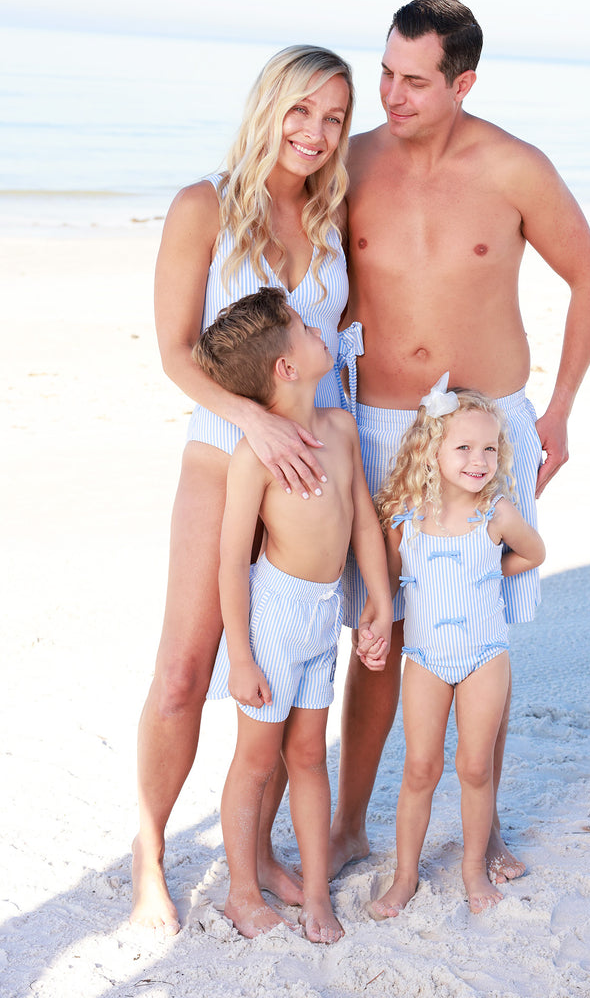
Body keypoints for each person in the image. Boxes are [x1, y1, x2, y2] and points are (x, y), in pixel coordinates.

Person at [329, 0, 590, 881]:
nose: (391, 94)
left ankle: (485, 830)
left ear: (464, 83)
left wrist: (559, 409)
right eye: (385, 72)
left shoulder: (515, 168)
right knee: (383, 627)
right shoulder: (350, 161)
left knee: (480, 627)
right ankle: (349, 826)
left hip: (490, 430)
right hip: (380, 428)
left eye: (415, 80)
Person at [131, 45, 359, 935]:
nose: (315, 132)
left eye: (334, 118)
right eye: (301, 110)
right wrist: (251, 419)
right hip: (221, 457)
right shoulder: (204, 205)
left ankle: (256, 854)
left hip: (308, 479)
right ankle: (150, 852)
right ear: (268, 107)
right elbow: (174, 352)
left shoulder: (335, 216)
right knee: (185, 672)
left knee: (280, 680)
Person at [192, 287, 392, 941]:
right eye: (306, 327)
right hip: (275, 618)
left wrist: (380, 597)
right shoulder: (254, 458)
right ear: (286, 367)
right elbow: (232, 562)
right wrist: (241, 658)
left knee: (308, 756)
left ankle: (315, 896)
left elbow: (361, 518)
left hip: (323, 615)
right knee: (256, 760)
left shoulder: (338, 429)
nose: (317, 329)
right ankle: (241, 893)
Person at [367, 379, 545, 919]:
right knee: (421, 767)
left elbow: (533, 554)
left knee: (474, 767)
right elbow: (388, 584)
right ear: (432, 450)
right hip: (425, 660)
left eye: (489, 448)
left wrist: (488, 574)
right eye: (464, 447)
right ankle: (405, 876)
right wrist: (374, 624)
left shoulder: (496, 512)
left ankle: (473, 868)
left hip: (484, 656)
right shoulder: (405, 516)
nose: (479, 460)